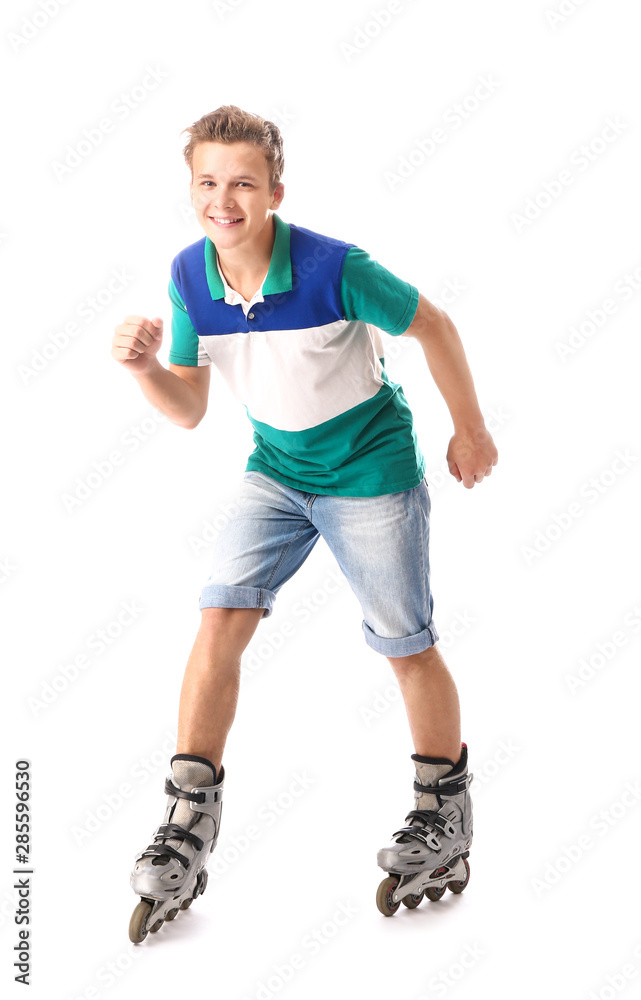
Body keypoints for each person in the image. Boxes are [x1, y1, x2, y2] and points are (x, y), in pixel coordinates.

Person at [112, 105, 498, 939]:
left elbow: (433, 324)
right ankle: (186, 818)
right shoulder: (190, 276)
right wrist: (146, 369)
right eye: (208, 183)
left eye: (243, 183)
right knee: (220, 614)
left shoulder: (333, 267)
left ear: (274, 191)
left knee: (404, 642)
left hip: (369, 473)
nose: (225, 199)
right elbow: (188, 408)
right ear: (191, 191)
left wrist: (468, 428)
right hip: (278, 475)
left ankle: (443, 813)